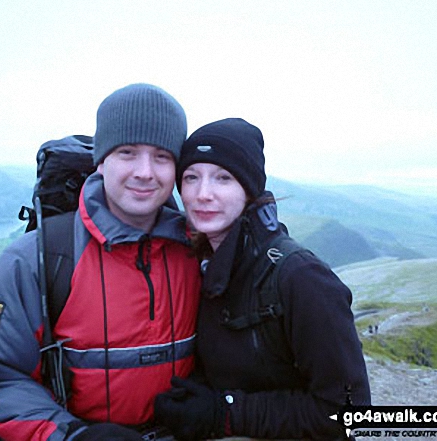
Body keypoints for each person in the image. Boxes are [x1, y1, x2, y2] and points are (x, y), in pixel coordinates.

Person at [0, 83, 201, 440]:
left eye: (162, 156)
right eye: (127, 152)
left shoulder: (196, 252)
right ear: (101, 160)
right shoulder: (35, 259)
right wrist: (71, 436)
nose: (145, 171)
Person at [154, 118, 371, 439]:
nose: (202, 194)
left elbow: (351, 412)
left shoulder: (301, 278)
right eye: (191, 177)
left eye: (223, 178)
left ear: (249, 188)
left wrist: (225, 412)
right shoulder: (200, 265)